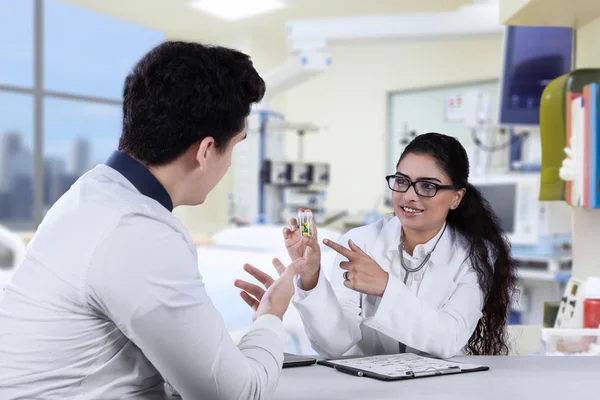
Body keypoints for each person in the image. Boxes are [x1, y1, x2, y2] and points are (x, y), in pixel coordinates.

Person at [0, 41, 305, 400]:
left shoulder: (90, 192)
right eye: (235, 146)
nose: (230, 163)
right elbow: (235, 395)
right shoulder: (138, 232)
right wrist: (271, 317)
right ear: (206, 151)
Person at [239, 132, 517, 359]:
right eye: (402, 181)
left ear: (456, 197)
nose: (409, 196)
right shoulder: (360, 242)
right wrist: (310, 279)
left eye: (428, 187)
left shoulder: (475, 256)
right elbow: (335, 345)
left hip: (442, 389)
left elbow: (447, 339)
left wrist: (385, 286)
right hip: (368, 388)